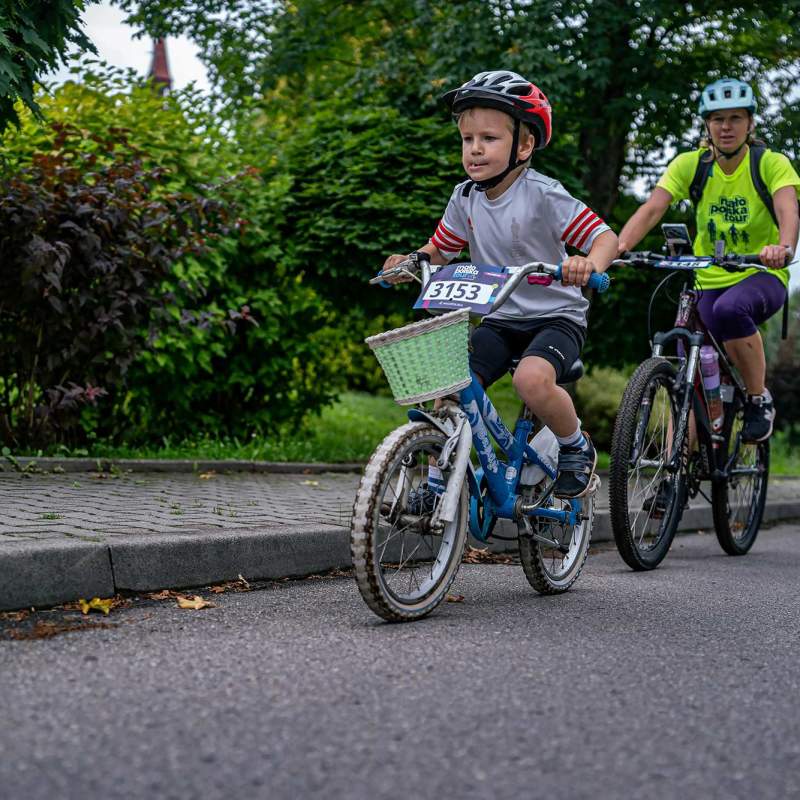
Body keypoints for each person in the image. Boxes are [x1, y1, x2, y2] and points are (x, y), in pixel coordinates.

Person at [381, 70, 618, 498]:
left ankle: (575, 446)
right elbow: (441, 248)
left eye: (488, 139)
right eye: (467, 140)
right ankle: (437, 484)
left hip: (555, 317)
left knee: (531, 380)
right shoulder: (464, 197)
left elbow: (605, 237)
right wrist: (412, 261)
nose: (474, 150)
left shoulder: (544, 195)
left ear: (524, 145)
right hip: (501, 316)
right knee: (450, 387)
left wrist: (589, 263)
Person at [618, 77, 800, 442]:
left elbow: (788, 211)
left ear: (750, 124)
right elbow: (653, 209)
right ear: (706, 125)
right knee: (689, 375)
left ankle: (756, 397)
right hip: (705, 278)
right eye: (718, 119)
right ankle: (674, 477)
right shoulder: (691, 164)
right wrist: (616, 249)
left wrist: (782, 247)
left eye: (735, 118)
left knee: (730, 310)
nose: (726, 127)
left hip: (760, 273)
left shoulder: (771, 164)